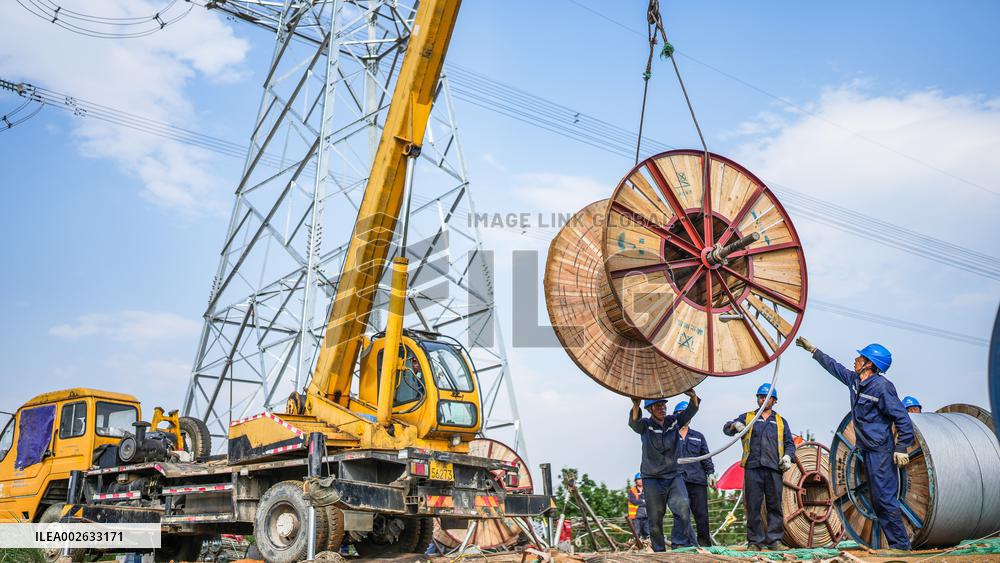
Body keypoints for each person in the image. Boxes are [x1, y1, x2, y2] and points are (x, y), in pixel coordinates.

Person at [796, 337, 914, 551]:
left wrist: (901, 447)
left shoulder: (882, 387)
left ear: (869, 364)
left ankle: (901, 546)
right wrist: (814, 351)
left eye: (860, 357)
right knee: (877, 499)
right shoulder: (855, 381)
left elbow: (902, 418)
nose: (855, 359)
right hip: (867, 450)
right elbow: (834, 367)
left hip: (881, 451)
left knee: (885, 499)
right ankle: (896, 544)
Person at [723, 383, 796, 551]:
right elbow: (726, 429)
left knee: (774, 506)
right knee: (753, 506)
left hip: (774, 469)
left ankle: (775, 541)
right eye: (761, 397)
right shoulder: (748, 417)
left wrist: (788, 457)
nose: (763, 399)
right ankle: (755, 541)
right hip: (753, 467)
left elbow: (789, 444)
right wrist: (735, 425)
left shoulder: (780, 421)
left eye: (767, 397)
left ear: (774, 400)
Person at [629, 389, 700, 551]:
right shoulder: (645, 425)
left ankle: (679, 544)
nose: (663, 408)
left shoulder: (673, 421)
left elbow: (690, 412)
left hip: (674, 475)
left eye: (663, 405)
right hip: (652, 478)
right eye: (658, 405)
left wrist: (693, 396)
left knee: (683, 508)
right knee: (654, 518)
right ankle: (659, 551)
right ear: (650, 409)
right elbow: (634, 422)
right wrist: (636, 404)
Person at [673, 401, 716, 547]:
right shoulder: (670, 436)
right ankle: (683, 545)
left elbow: (706, 456)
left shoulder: (698, 436)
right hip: (678, 481)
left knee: (701, 515)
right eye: (682, 413)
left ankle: (705, 545)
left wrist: (710, 473)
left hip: (697, 481)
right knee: (681, 514)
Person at [627, 473, 649, 540]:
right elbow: (634, 501)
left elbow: (650, 501)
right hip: (636, 516)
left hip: (647, 515)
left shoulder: (647, 489)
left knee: (647, 532)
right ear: (636, 481)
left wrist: (641, 501)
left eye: (642, 479)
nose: (640, 481)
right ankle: (637, 544)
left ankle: (647, 544)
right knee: (636, 533)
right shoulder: (632, 490)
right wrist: (643, 501)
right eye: (639, 479)